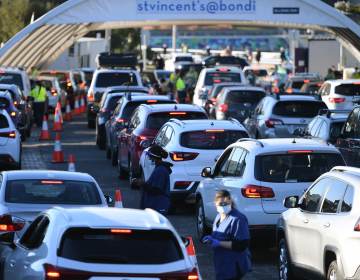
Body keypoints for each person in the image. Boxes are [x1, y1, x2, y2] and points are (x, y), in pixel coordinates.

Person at [202, 190, 251, 280]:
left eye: (226, 203)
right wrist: (211, 238)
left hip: (233, 266)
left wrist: (219, 243)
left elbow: (241, 245)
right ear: (215, 204)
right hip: (221, 266)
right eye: (221, 204)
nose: (224, 206)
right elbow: (218, 234)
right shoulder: (218, 217)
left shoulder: (238, 219)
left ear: (230, 202)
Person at [133, 144, 173, 215]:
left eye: (150, 156)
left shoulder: (161, 170)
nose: (149, 158)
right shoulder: (159, 169)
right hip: (155, 206)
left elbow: (157, 190)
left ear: (154, 157)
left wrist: (142, 184)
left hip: (157, 206)